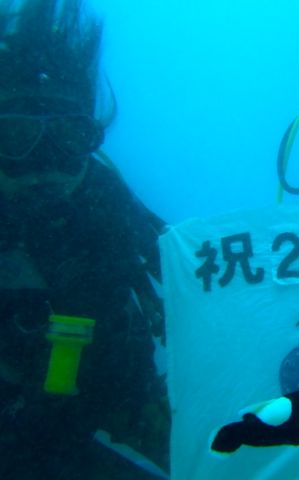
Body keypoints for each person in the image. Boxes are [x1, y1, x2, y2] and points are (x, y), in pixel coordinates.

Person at [0, 0, 169, 478]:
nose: (45, 161)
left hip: (112, 398)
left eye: (68, 136)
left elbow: (196, 273)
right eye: (16, 135)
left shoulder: (107, 200)